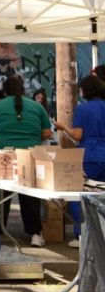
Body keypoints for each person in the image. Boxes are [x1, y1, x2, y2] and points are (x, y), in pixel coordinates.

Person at [0, 75, 51, 247]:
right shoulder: (37, 106)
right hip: (29, 155)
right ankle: (35, 233)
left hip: (2, 157)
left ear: (5, 91)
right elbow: (47, 133)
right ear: (23, 89)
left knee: (0, 194)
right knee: (30, 195)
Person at [55, 75, 105, 248]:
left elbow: (78, 135)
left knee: (81, 194)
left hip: (89, 156)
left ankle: (82, 235)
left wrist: (63, 128)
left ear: (85, 90)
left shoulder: (83, 109)